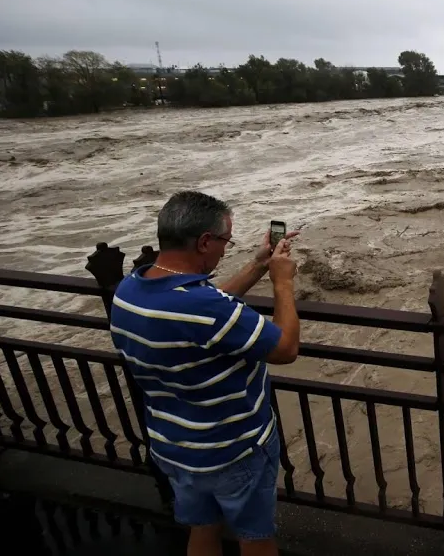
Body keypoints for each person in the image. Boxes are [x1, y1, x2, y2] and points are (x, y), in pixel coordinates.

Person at [110, 191, 301, 556]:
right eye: (225, 241)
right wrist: (282, 282)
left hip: (174, 447)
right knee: (255, 538)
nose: (225, 250)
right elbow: (286, 348)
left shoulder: (129, 291)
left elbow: (210, 311)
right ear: (203, 242)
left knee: (202, 530)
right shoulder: (205, 308)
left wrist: (259, 264)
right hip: (233, 450)